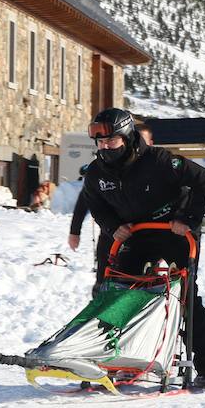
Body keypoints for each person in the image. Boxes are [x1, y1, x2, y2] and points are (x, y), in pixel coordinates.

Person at [82, 108, 205, 390]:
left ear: (127, 136)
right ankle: (118, 360)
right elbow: (96, 204)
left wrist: (187, 220)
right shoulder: (96, 172)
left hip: (174, 234)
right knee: (121, 295)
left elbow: (204, 180)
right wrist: (112, 226)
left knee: (186, 298)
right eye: (100, 142)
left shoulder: (159, 161)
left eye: (112, 140)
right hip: (136, 236)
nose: (105, 146)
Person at [69, 121, 153, 293]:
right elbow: (87, 198)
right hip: (112, 234)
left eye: (142, 140)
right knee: (105, 282)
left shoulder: (154, 165)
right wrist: (75, 230)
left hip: (146, 236)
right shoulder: (107, 167)